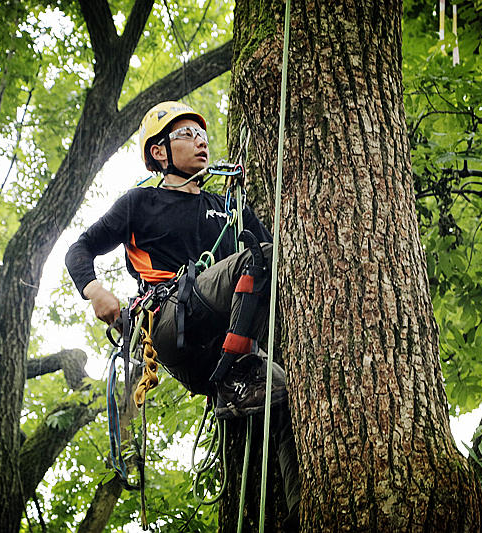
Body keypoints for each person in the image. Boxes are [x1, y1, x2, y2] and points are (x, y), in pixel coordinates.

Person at [65, 101, 300, 525]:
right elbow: (78, 248)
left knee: (286, 402)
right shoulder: (141, 202)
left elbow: (276, 262)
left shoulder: (226, 207)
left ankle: (309, 512)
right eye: (186, 134)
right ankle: (239, 367)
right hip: (172, 318)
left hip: (215, 343)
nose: (201, 141)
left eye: (202, 134)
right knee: (258, 260)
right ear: (159, 152)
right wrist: (95, 289)